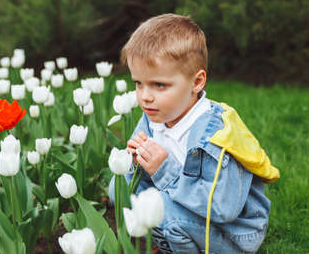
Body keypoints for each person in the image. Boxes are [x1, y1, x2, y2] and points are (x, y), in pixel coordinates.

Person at [109, 13, 280, 253]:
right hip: (186, 211)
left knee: (165, 214)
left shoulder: (215, 136)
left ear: (197, 82)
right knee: (118, 187)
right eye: (138, 83)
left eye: (159, 85)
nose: (145, 96)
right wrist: (136, 163)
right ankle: (168, 241)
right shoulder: (154, 115)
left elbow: (222, 207)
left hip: (231, 233)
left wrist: (163, 170)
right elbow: (142, 178)